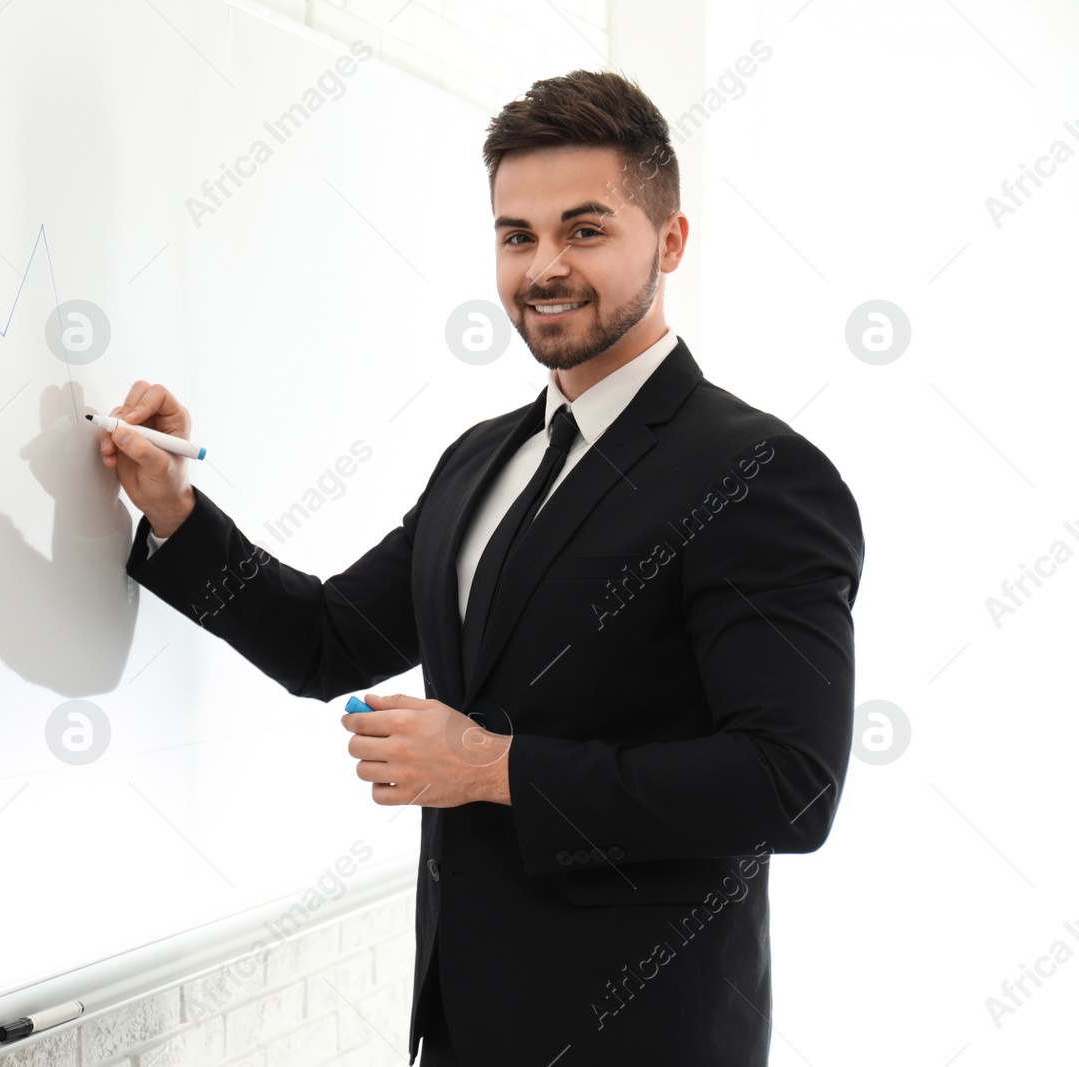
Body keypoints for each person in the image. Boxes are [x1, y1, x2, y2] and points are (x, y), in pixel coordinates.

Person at [97, 69, 863, 1067]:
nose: (543, 266)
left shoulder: (757, 472)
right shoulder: (479, 459)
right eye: (516, 235)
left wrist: (497, 767)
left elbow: (788, 785)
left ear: (668, 242)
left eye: (584, 230)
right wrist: (175, 512)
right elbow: (329, 639)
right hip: (463, 1029)